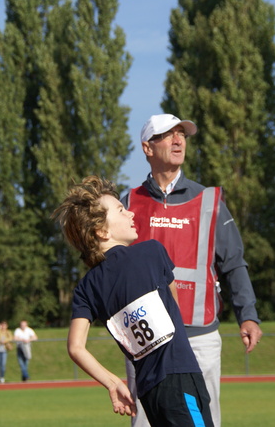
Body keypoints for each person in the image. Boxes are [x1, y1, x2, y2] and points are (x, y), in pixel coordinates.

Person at [121, 114, 263, 427]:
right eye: (168, 135)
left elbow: (234, 262)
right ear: (147, 147)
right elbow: (113, 265)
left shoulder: (209, 201)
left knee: (203, 421)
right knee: (146, 422)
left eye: (182, 134)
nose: (178, 140)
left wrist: (248, 314)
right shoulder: (128, 201)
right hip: (146, 338)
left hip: (201, 334)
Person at [51, 175, 214, 427]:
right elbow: (174, 304)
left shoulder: (86, 287)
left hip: (148, 391)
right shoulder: (151, 251)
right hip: (180, 376)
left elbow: (76, 348)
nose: (130, 214)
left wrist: (113, 382)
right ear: (101, 230)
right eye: (120, 210)